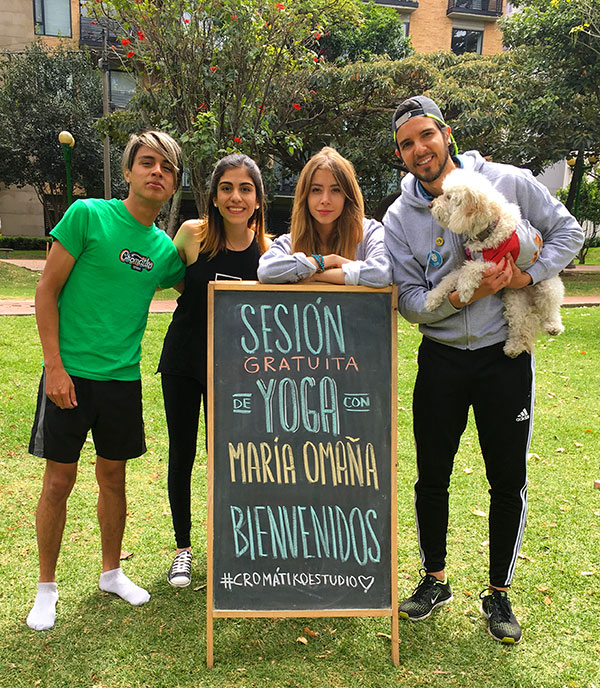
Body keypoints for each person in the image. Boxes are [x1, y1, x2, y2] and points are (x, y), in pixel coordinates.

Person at [384, 96, 584, 644]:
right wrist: (459, 302)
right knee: (432, 476)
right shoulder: (400, 217)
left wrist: (528, 276)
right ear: (400, 154)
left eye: (426, 135)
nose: (419, 149)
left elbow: (568, 231)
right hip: (442, 359)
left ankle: (498, 592)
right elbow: (407, 299)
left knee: (507, 477)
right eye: (406, 143)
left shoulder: (508, 182)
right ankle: (434, 580)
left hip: (505, 358)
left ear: (445, 134)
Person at [27, 130, 189, 631]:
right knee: (59, 480)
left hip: (123, 380)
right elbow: (46, 293)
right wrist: (54, 367)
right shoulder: (87, 216)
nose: (156, 172)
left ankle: (111, 572)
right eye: (147, 162)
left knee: (113, 478)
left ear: (174, 182)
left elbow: (200, 288)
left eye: (166, 167)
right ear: (128, 172)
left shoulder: (163, 250)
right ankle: (46, 588)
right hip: (71, 374)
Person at [158, 153, 270, 588]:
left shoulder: (268, 247)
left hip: (240, 372)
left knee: (235, 458)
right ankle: (183, 549)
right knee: (182, 451)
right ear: (214, 195)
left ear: (258, 199)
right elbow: (177, 282)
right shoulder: (192, 234)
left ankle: (235, 544)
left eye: (245, 189)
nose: (235, 197)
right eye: (227, 188)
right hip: (185, 362)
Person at [257, 146, 390, 287]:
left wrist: (316, 277)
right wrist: (328, 261)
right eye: (316, 190)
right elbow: (266, 270)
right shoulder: (291, 241)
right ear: (305, 196)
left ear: (348, 196)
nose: (325, 199)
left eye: (335, 190)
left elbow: (382, 273)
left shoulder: (370, 232)